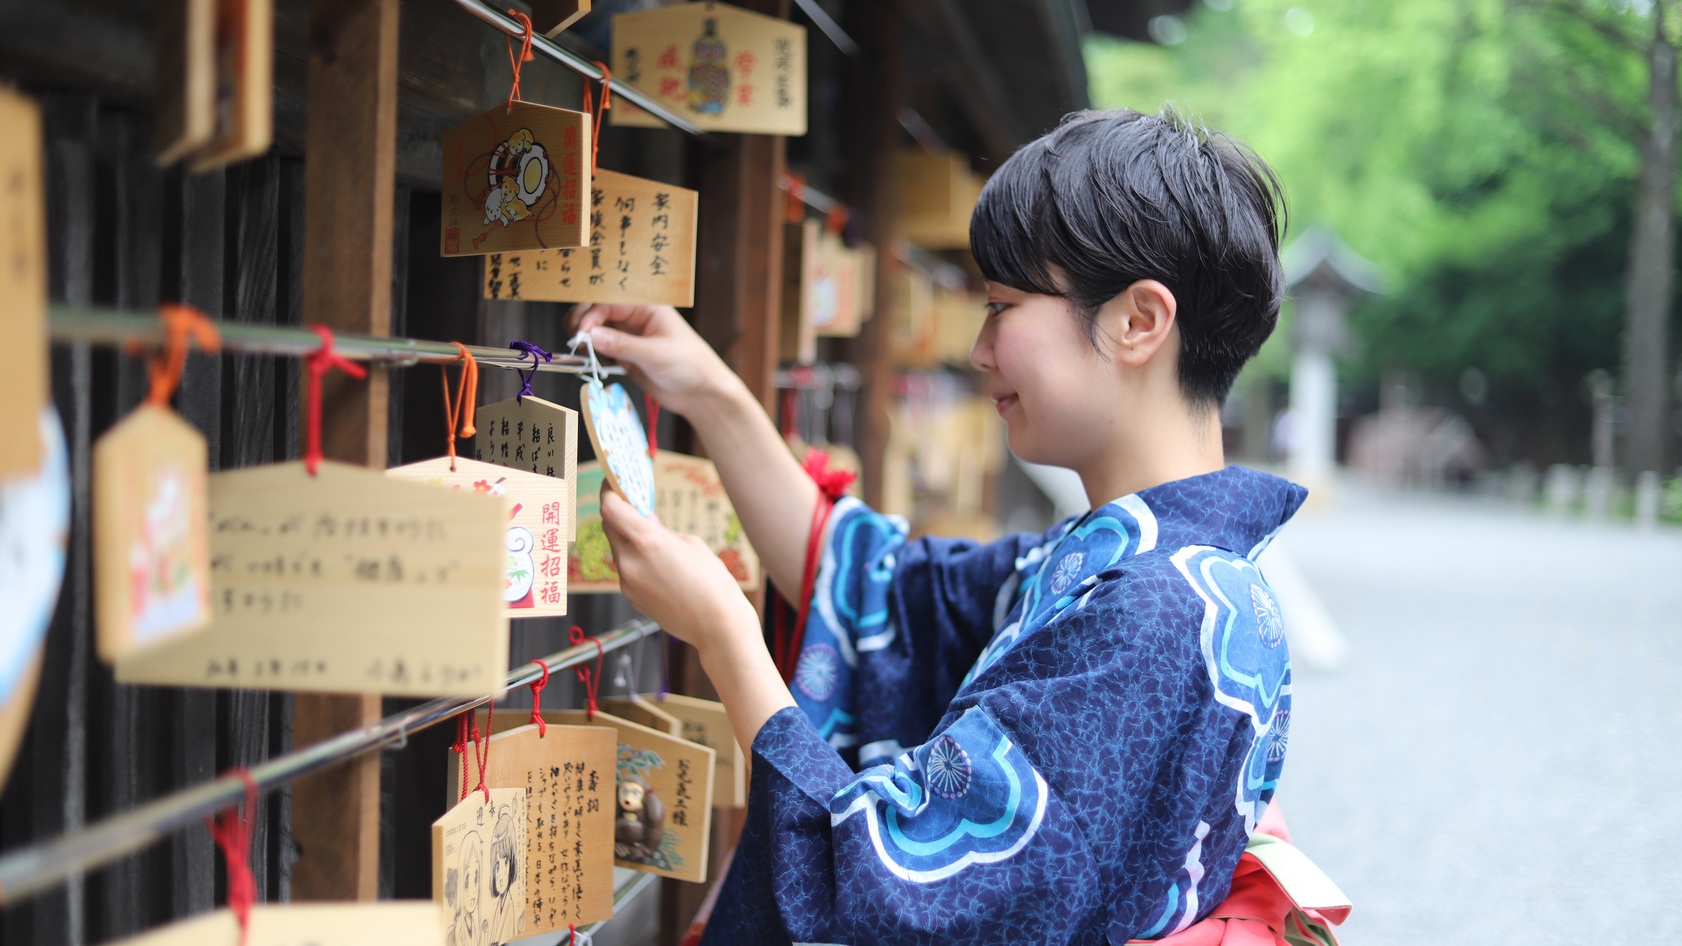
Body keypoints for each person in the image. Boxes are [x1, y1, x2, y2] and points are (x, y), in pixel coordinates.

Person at [580, 108, 1306, 944]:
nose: (980, 349)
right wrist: (708, 391)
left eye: (1002, 306)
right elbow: (875, 587)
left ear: (1138, 321)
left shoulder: (1149, 616)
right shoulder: (1142, 571)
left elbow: (892, 890)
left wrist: (723, 634)